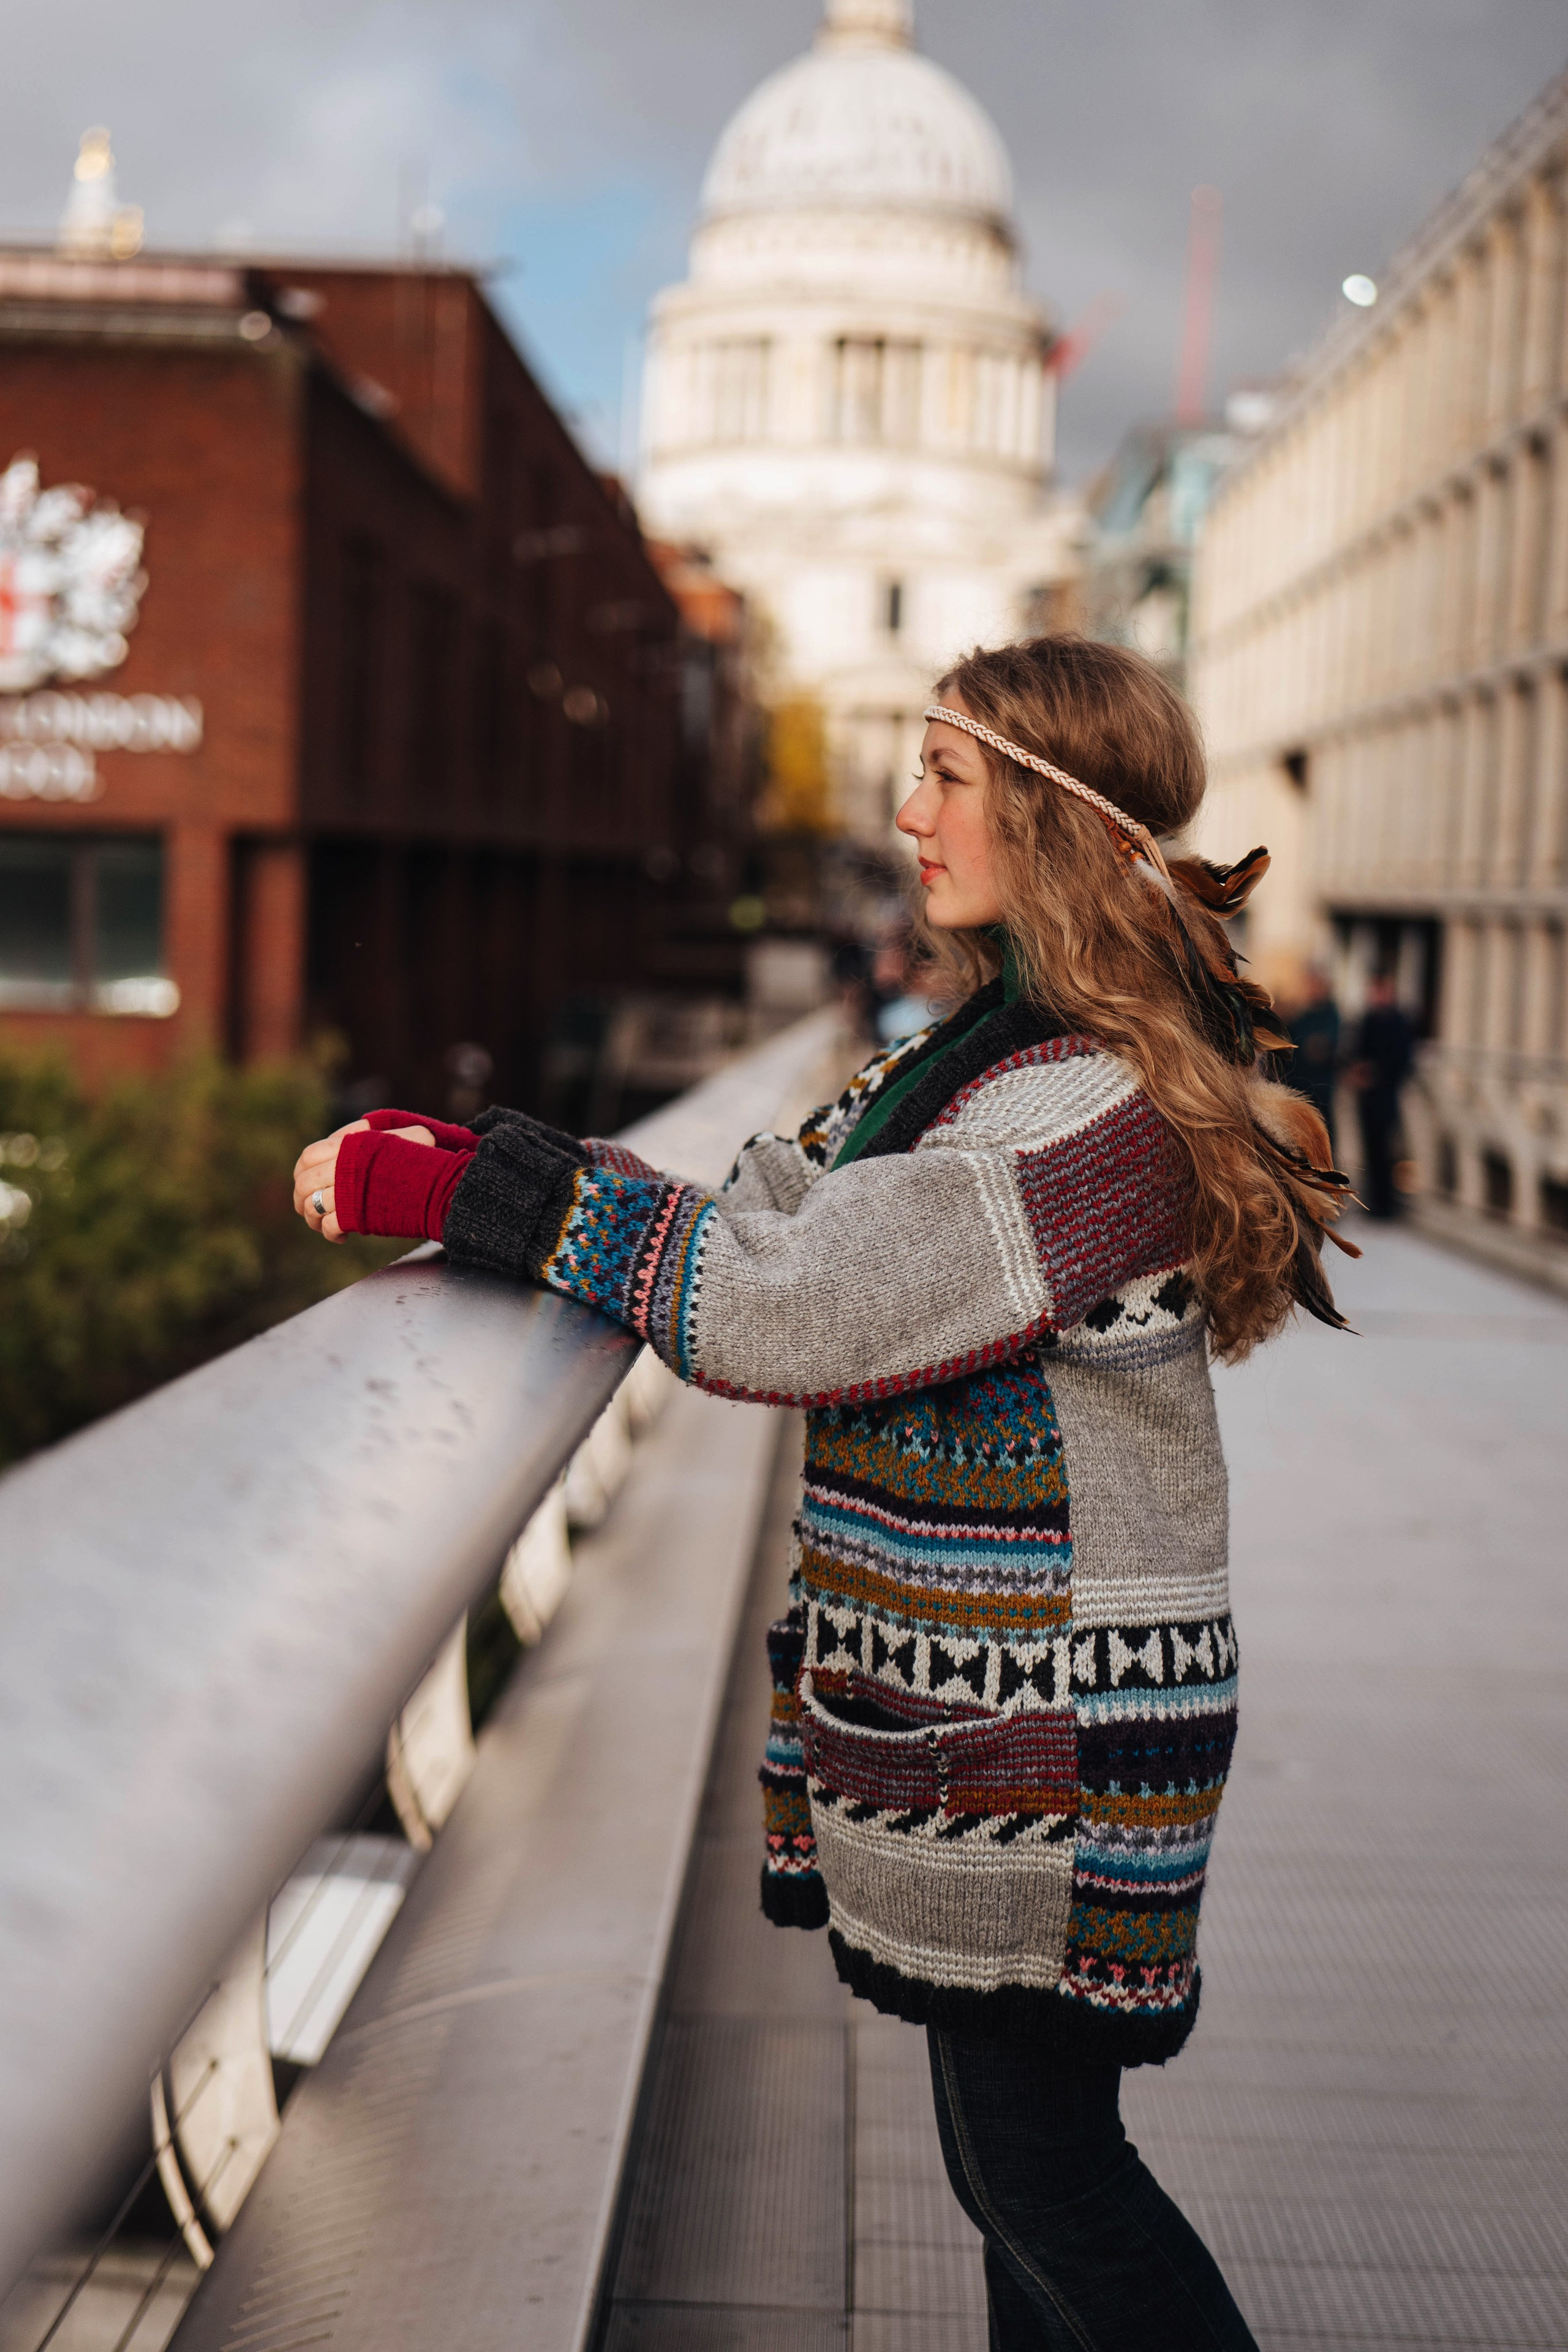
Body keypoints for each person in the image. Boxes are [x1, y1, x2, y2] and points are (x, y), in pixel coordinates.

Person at [293, 635, 1352, 2350]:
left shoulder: (1079, 1109)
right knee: (1023, 2177)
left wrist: (467, 1195)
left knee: (1044, 2181)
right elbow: (787, 1208)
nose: (906, 810)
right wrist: (519, 1164)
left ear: (1054, 822)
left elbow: (778, 1306)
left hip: (1058, 1734)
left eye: (948, 779)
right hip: (1014, 1719)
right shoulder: (990, 1055)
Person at [1348, 971, 1415, 1219]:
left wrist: (1377, 1074)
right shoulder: (1368, 1020)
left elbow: (1403, 1062)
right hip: (1367, 1098)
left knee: (1387, 1150)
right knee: (1370, 1150)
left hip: (1386, 1097)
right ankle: (1374, 1202)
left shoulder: (1397, 1021)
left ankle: (1387, 1205)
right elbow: (1355, 1052)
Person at [1286, 967, 1341, 1161]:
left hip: (1321, 1088)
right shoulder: (1302, 1016)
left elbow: (1322, 1049)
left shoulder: (1330, 1015)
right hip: (1301, 1085)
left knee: (1323, 1139)